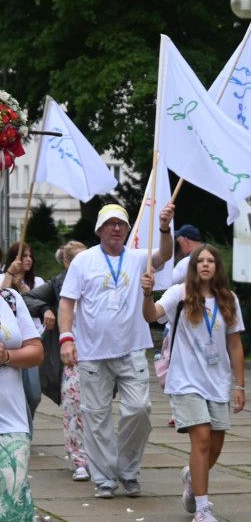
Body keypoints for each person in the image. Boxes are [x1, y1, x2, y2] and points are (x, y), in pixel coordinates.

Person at [59, 203, 175, 498]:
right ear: (99, 229)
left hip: (132, 348)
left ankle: (126, 468)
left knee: (139, 409)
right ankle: (104, 479)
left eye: (121, 224)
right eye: (110, 224)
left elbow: (165, 255)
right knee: (96, 416)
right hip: (92, 353)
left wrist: (164, 227)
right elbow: (67, 303)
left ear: (127, 229)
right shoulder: (84, 261)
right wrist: (66, 338)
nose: (116, 228)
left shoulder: (138, 258)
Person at [141, 244, 245, 522]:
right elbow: (151, 316)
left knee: (215, 444)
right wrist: (147, 294)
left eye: (211, 260)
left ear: (217, 267)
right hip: (186, 381)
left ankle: (191, 477)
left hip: (218, 381)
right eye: (200, 260)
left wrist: (240, 385)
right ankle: (202, 509)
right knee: (200, 439)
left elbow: (235, 344)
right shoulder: (179, 293)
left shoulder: (228, 299)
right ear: (193, 266)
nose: (206, 265)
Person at [0, 284, 51, 522]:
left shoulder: (9, 299)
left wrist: (6, 355)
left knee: (16, 496)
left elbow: (36, 352)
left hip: (11, 420)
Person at [22, 241, 90, 481]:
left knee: (96, 410)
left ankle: (99, 458)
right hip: (70, 355)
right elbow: (26, 298)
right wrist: (44, 309)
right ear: (67, 262)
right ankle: (78, 459)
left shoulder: (98, 279)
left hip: (99, 352)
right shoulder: (57, 284)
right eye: (79, 259)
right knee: (73, 405)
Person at [2, 242, 45, 430]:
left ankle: (27, 422)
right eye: (23, 256)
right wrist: (10, 275)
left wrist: (21, 286)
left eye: (30, 256)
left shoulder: (39, 282)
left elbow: (36, 301)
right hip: (11, 339)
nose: (27, 259)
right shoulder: (5, 279)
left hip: (29, 340)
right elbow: (2, 294)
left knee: (33, 393)